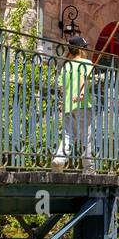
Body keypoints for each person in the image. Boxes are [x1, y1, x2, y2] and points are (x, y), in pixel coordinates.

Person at [52, 35, 95, 171]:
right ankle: (89, 168)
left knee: (68, 134)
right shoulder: (87, 63)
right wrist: (81, 94)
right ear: (81, 49)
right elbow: (84, 78)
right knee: (86, 137)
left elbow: (62, 87)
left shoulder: (66, 66)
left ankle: (60, 159)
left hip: (68, 105)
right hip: (83, 105)